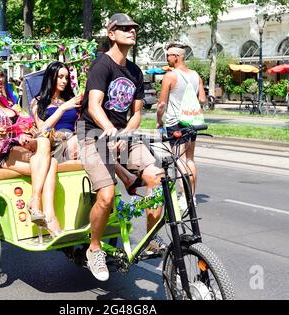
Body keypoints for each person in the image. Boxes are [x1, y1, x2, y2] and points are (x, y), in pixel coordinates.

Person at [76, 13, 165, 281]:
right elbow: (93, 106)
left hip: (121, 135)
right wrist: (109, 131)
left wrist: (126, 132)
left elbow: (136, 113)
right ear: (111, 33)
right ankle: (94, 249)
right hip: (91, 133)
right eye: (124, 28)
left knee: (157, 178)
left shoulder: (135, 71)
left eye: (134, 28)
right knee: (106, 195)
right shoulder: (101, 66)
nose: (131, 31)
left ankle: (150, 238)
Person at [0, 53, 62, 237]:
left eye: (1, 75)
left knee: (46, 147)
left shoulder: (7, 101)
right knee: (51, 163)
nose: (0, 79)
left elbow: (23, 124)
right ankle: (46, 214)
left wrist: (25, 134)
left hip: (17, 149)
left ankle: (38, 206)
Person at [31, 61, 141, 193]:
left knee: (91, 141)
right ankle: (126, 176)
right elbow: (42, 129)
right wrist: (62, 109)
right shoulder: (38, 102)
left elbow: (84, 121)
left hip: (74, 140)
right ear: (51, 77)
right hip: (54, 144)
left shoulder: (71, 99)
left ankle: (118, 180)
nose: (64, 81)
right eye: (60, 77)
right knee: (83, 143)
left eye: (66, 77)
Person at [156, 43, 206, 209]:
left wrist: (158, 120)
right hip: (191, 121)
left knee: (179, 160)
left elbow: (162, 103)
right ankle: (192, 196)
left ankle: (184, 198)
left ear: (177, 56)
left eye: (168, 55)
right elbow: (203, 100)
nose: (167, 58)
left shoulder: (170, 76)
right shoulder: (195, 75)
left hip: (176, 122)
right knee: (190, 159)